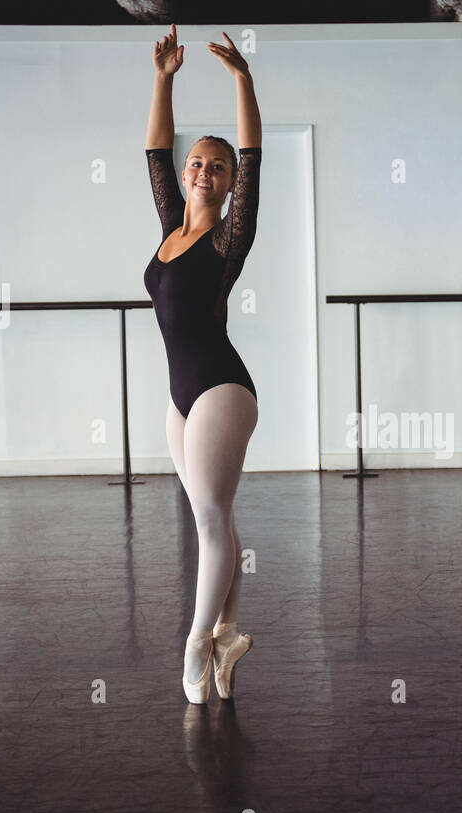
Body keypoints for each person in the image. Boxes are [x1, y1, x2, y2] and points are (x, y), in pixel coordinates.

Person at [144, 25, 261, 704]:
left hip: (221, 389)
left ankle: (194, 644)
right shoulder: (171, 229)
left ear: (229, 183)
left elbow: (253, 150)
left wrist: (242, 80)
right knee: (210, 519)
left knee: (212, 518)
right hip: (180, 399)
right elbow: (155, 150)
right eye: (197, 164)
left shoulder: (226, 238)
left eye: (217, 167)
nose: (202, 171)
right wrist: (164, 79)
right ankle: (227, 630)